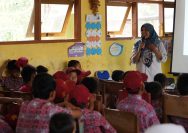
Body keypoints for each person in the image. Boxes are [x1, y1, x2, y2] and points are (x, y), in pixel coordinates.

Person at [16, 73, 81, 133]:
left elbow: (41, 108)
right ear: (52, 94)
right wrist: (76, 108)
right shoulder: (50, 109)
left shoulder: (24, 105)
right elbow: (79, 114)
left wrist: (63, 103)